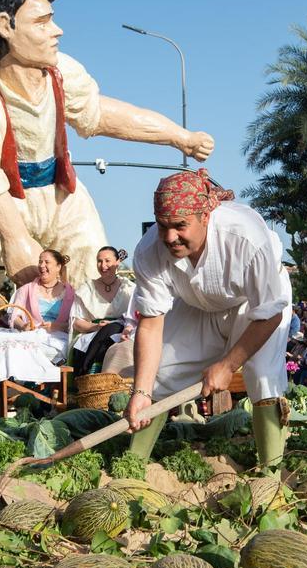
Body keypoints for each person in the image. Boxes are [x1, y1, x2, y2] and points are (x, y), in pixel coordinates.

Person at [0, 0, 215, 312]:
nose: (58, 31)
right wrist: (15, 238)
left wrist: (179, 136)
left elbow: (103, 114)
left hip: (58, 195)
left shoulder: (61, 73)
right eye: (42, 22)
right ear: (5, 25)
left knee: (96, 278)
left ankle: (99, 343)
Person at [124, 170, 292, 473]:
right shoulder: (148, 252)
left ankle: (271, 472)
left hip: (255, 306)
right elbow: (150, 325)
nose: (170, 237)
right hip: (196, 304)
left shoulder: (246, 237)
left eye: (180, 225)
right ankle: (131, 468)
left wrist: (227, 365)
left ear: (205, 216)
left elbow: (270, 314)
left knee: (262, 375)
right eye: (162, 226)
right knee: (161, 373)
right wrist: (140, 392)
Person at [0, 248, 73, 387]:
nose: (42, 265)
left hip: (58, 337)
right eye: (40, 262)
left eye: (47, 262)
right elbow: (14, 316)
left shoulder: (70, 293)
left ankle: (34, 384)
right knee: (0, 343)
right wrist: (23, 326)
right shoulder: (26, 289)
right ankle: (5, 385)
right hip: (30, 333)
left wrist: (57, 326)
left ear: (58, 267)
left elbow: (76, 322)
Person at [70, 245, 136, 375]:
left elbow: (135, 317)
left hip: (123, 332)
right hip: (92, 334)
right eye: (99, 261)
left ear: (117, 262)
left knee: (115, 328)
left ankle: (87, 368)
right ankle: (89, 371)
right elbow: (76, 322)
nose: (103, 265)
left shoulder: (129, 288)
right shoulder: (87, 289)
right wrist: (96, 326)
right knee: (110, 330)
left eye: (107, 261)